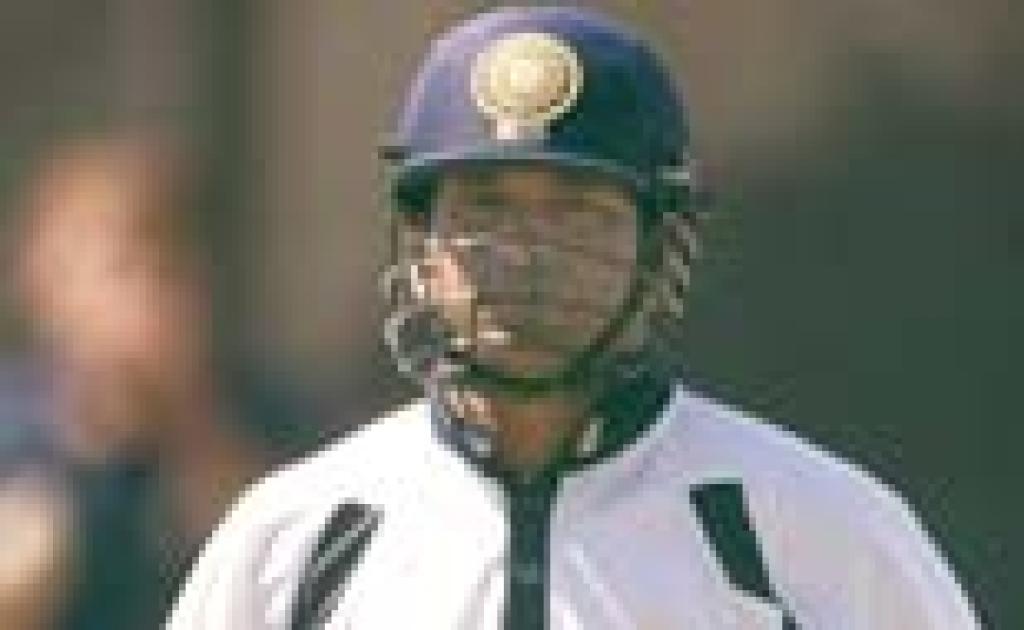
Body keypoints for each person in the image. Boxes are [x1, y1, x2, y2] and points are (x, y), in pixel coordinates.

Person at [168, 7, 980, 629]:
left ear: (659, 245)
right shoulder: (300, 532)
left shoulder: (816, 528)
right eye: (486, 207)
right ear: (419, 239)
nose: (527, 255)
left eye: (579, 211)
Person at [4, 131, 314, 629]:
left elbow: (292, 577)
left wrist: (188, 423)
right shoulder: (18, 426)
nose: (141, 301)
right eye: (117, 272)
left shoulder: (258, 414)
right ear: (44, 283)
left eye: (163, 273)